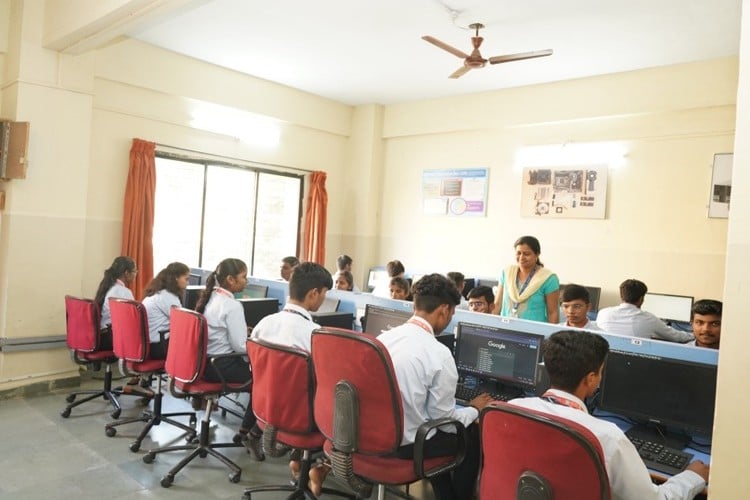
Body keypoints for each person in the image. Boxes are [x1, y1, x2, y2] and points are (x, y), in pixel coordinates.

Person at [510, 330, 709, 499]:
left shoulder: (512, 408)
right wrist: (692, 477)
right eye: (601, 372)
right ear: (590, 379)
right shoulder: (605, 435)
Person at [379, 273, 493, 500]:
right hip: (408, 445)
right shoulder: (439, 354)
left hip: (376, 435)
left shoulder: (384, 339)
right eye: (451, 313)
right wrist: (474, 409)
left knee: (433, 429)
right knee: (469, 432)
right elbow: (446, 423)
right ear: (443, 310)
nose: (449, 319)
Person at [250, 262, 333, 495]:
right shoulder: (315, 334)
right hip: (303, 420)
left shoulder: (263, 325)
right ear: (314, 293)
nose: (323, 299)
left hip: (266, 413)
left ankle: (300, 461)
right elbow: (326, 385)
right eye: (324, 294)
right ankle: (323, 467)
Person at [195, 258, 264, 461]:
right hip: (222, 366)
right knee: (263, 382)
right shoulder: (232, 305)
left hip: (206, 363)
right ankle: (249, 434)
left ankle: (243, 432)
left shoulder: (211, 298)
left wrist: (243, 332)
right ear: (230, 280)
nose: (247, 282)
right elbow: (240, 347)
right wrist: (255, 342)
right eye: (244, 277)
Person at [596, 279, 693, 342]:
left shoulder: (603, 313)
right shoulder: (649, 319)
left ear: (621, 296)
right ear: (641, 299)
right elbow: (676, 336)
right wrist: (695, 335)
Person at [494, 236, 560, 323]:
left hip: (534, 331)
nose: (521, 257)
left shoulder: (548, 278)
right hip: (506, 328)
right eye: (518, 253)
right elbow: (497, 305)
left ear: (537, 254)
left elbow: (553, 313)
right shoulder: (507, 273)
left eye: (526, 254)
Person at [141, 262, 190, 360]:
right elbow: (183, 322)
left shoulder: (156, 292)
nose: (188, 282)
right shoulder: (167, 296)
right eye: (186, 279)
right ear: (176, 278)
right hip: (158, 347)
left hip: (147, 344)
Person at [95, 256, 138, 349]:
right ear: (126, 273)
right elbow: (134, 318)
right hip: (112, 338)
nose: (136, 274)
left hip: (101, 336)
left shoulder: (107, 287)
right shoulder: (123, 291)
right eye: (135, 271)